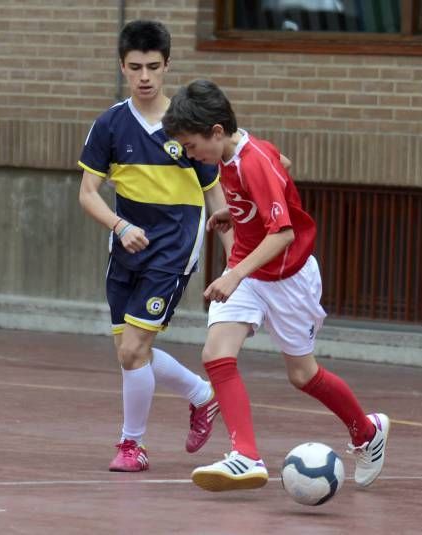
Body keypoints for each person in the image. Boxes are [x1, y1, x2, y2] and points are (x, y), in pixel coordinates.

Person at [162, 79, 390, 492]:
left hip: (289, 278)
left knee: (303, 375)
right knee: (216, 353)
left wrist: (233, 274)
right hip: (251, 272)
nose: (190, 154)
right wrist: (238, 214)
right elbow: (283, 163)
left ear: (216, 131)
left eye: (192, 145)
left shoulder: (251, 160)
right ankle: (246, 456)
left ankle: (367, 431)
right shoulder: (232, 156)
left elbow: (283, 233)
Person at [77, 21, 231, 472]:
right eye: (135, 67)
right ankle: (202, 396)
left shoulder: (188, 128)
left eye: (153, 67)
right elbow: (88, 194)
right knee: (131, 351)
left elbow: (217, 200)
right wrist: (119, 225)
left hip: (173, 250)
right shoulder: (109, 124)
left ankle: (131, 445)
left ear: (167, 66)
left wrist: (234, 263)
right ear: (122, 67)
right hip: (125, 248)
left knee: (131, 352)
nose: (144, 76)